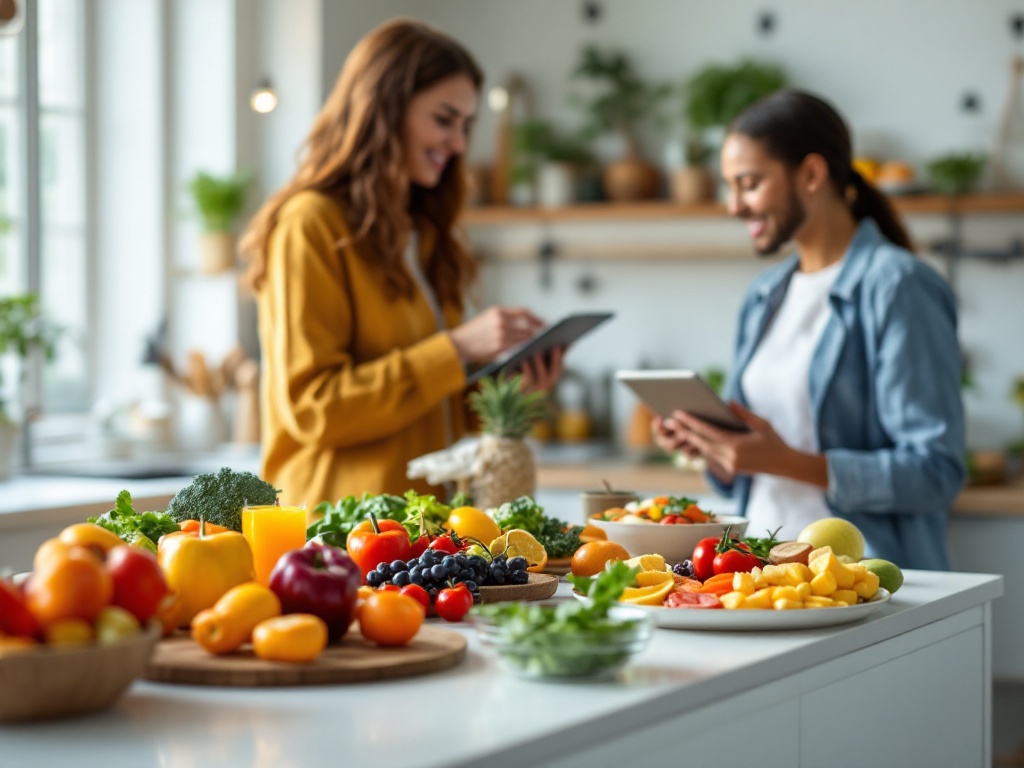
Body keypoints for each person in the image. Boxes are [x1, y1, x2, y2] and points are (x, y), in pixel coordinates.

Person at [241, 19, 559, 508]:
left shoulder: (425, 234)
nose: (457, 143)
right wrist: (455, 347)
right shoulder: (311, 223)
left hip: (421, 534)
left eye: (466, 126)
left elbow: (429, 412)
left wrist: (507, 393)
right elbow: (314, 409)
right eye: (444, 118)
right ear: (384, 110)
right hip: (338, 536)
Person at [653, 89, 965, 570]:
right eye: (729, 187)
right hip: (760, 576)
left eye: (750, 183)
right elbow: (753, 476)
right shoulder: (763, 296)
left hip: (859, 586)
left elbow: (936, 472)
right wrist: (714, 448)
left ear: (812, 174)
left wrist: (785, 460)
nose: (734, 206)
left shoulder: (898, 286)